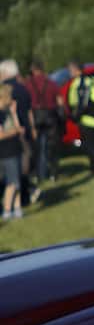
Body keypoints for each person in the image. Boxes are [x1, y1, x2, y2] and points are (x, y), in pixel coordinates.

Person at [63, 59, 94, 175]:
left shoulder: (80, 82)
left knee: (90, 146)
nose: (69, 73)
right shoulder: (92, 80)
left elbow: (82, 103)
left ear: (77, 70)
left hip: (86, 118)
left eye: (70, 70)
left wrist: (75, 116)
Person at [24, 61, 60, 191]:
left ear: (33, 70)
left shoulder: (28, 84)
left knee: (37, 147)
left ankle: (39, 174)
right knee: (52, 146)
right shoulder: (50, 82)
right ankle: (54, 173)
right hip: (50, 116)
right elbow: (59, 99)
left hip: (35, 116)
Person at [0, 67, 23, 220]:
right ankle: (7, 210)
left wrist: (14, 113)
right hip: (6, 150)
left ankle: (17, 208)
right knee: (12, 182)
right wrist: (15, 132)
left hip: (14, 148)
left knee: (17, 180)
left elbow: (18, 127)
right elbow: (1, 135)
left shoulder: (8, 111)